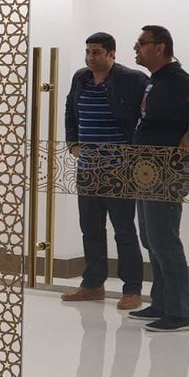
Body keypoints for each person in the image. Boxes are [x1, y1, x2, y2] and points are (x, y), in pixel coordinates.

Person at [128, 25, 189, 332]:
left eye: (142, 43)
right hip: (147, 169)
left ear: (160, 47)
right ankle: (162, 302)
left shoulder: (178, 80)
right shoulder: (157, 81)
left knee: (164, 239)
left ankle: (179, 313)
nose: (136, 48)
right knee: (150, 238)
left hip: (166, 170)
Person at [61, 32, 148, 310]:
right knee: (90, 228)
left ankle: (132, 290)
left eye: (96, 52)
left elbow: (146, 116)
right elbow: (70, 111)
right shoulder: (81, 78)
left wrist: (134, 152)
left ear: (112, 53)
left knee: (123, 230)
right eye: (88, 51)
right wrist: (72, 142)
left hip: (119, 169)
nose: (90, 57)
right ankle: (92, 284)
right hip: (87, 168)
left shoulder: (132, 79)